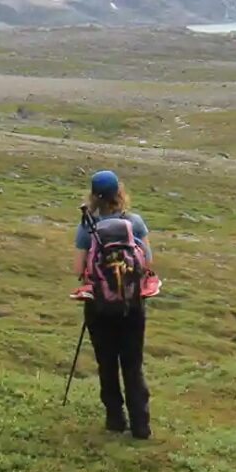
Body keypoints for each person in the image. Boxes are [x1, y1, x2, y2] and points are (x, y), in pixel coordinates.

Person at [74, 170, 156, 439]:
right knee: (132, 364)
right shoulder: (134, 222)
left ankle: (115, 420)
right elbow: (148, 262)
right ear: (119, 192)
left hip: (99, 307)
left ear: (93, 197)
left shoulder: (88, 226)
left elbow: (78, 268)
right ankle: (141, 425)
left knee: (106, 363)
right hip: (132, 304)